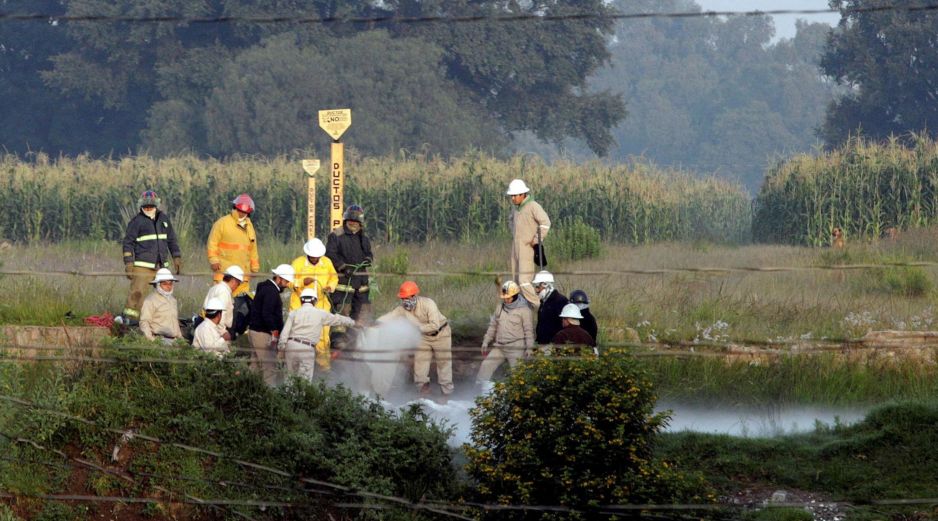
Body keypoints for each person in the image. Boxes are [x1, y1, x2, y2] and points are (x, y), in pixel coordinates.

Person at [378, 281, 453, 398]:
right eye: (402, 299)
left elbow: (434, 325)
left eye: (406, 298)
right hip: (423, 337)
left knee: (444, 364)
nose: (404, 302)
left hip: (441, 334)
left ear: (414, 296)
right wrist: (376, 322)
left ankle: (446, 394)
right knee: (420, 366)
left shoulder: (429, 304)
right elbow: (390, 316)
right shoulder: (402, 309)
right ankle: (424, 393)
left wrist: (416, 329)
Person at [121, 190, 182, 322]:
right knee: (137, 294)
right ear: (141, 207)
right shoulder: (136, 222)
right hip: (142, 266)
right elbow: (127, 243)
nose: (149, 209)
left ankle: (160, 321)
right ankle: (130, 322)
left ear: (156, 206)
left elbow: (172, 240)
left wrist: (176, 257)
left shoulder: (164, 220)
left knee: (164, 295)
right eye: (146, 207)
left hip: (162, 267)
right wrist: (129, 263)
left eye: (151, 206)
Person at [279, 288, 355, 381]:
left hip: (291, 346)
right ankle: (300, 395)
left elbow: (284, 333)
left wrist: (281, 347)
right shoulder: (320, 314)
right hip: (307, 348)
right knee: (304, 381)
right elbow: (337, 319)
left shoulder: (293, 313)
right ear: (314, 301)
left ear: (301, 300)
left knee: (289, 378)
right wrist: (353, 322)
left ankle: (287, 394)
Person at [290, 238, 339, 371]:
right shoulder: (298, 264)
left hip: (321, 305)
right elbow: (289, 281)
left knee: (323, 338)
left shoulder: (326, 262)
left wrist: (330, 287)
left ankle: (323, 369)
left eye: (317, 257)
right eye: (312, 256)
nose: (315, 259)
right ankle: (297, 370)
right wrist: (302, 282)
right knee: (299, 339)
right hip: (300, 306)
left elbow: (334, 277)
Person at [475, 280, 534, 390]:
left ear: (515, 296)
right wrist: (486, 341)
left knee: (518, 375)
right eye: (504, 297)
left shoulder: (524, 310)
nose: (506, 300)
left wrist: (529, 348)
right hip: (500, 346)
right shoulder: (500, 307)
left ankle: (519, 400)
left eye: (508, 297)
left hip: (516, 347)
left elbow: (528, 331)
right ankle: (477, 392)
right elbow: (493, 325)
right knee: (485, 366)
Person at [326, 204, 374, 324]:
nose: (353, 223)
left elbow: (369, 253)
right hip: (344, 283)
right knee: (342, 318)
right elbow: (330, 254)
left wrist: (368, 259)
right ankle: (339, 341)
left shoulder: (364, 238)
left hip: (361, 285)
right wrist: (343, 267)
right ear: (346, 220)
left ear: (360, 223)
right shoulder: (336, 235)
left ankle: (359, 341)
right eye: (351, 221)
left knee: (362, 317)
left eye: (356, 221)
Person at [247, 264, 294, 386]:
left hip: (254, 332)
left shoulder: (264, 287)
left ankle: (246, 394)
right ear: (279, 278)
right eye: (286, 281)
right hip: (262, 334)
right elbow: (267, 313)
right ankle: (269, 399)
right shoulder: (271, 292)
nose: (287, 284)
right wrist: (274, 330)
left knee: (255, 367)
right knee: (269, 368)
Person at [506, 179, 550, 307]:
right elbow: (510, 221)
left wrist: (536, 240)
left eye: (515, 195)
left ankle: (541, 305)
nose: (513, 198)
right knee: (516, 282)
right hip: (515, 249)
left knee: (524, 281)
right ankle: (523, 310)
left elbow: (546, 222)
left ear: (523, 194)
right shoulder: (516, 209)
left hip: (528, 249)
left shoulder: (533, 206)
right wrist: (514, 234)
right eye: (511, 196)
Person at [207, 193, 259, 297]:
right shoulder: (222, 223)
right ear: (235, 208)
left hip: (243, 278)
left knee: (240, 308)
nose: (242, 214)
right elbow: (212, 243)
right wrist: (213, 260)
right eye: (240, 211)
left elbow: (253, 249)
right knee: (221, 304)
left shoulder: (249, 226)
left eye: (245, 212)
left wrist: (255, 267)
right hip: (224, 275)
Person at [139, 268, 183, 344]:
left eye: (170, 284)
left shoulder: (173, 301)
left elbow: (175, 322)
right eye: (165, 284)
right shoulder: (150, 300)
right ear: (158, 284)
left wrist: (181, 339)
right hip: (159, 340)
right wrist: (151, 340)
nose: (168, 287)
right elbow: (144, 322)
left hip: (174, 341)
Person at [202, 265, 244, 341]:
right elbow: (220, 313)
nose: (238, 286)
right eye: (238, 283)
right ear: (233, 281)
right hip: (217, 331)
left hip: (209, 326)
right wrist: (223, 332)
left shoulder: (216, 287)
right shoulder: (224, 292)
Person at [533, 270, 568, 345]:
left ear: (545, 285)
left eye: (538, 287)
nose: (536, 290)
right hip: (542, 343)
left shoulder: (560, 301)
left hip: (554, 345)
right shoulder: (544, 301)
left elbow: (564, 325)